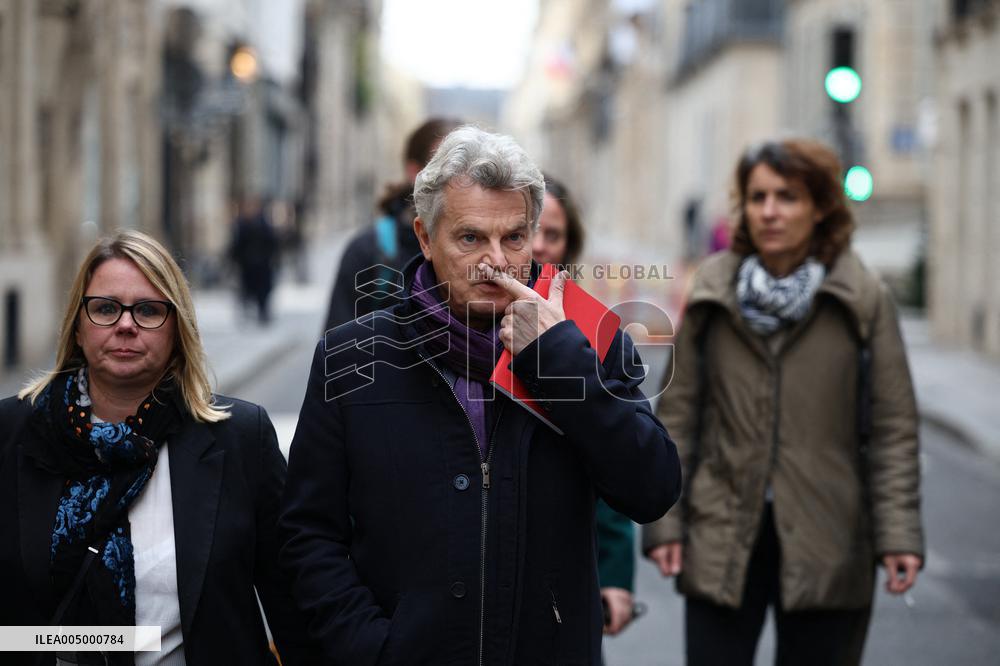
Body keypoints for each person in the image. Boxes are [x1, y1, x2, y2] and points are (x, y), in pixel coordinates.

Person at [280, 126, 682, 665]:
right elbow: (309, 534)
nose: (496, 261)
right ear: (425, 236)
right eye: (470, 238)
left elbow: (652, 487)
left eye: (514, 238)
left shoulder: (591, 339)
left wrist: (558, 360)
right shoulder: (351, 355)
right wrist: (372, 648)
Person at [642, 138, 924, 665]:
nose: (769, 211)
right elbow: (679, 416)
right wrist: (666, 522)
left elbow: (893, 427)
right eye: (758, 197)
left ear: (820, 207)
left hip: (829, 536)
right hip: (721, 529)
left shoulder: (861, 297)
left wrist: (899, 533)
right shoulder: (713, 291)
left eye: (788, 196)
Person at [0, 230, 315, 665]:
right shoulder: (12, 432)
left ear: (177, 328)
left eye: (148, 310)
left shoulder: (241, 438)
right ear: (77, 325)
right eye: (106, 308)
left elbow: (295, 605)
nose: (126, 325)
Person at [536, 174, 637, 638]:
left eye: (551, 234)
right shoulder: (468, 321)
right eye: (525, 230)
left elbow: (614, 451)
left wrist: (614, 575)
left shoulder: (594, 331)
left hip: (568, 580)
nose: (537, 246)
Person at [323, 117, 462, 331]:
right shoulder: (366, 251)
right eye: (447, 168)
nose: (461, 181)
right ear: (413, 171)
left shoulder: (494, 253)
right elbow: (334, 353)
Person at [230, 194, 279, 324]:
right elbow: (237, 244)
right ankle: (249, 311)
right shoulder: (242, 225)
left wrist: (270, 256)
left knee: (263, 290)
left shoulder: (264, 224)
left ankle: (263, 312)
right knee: (247, 289)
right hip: (247, 265)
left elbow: (272, 243)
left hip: (262, 264)